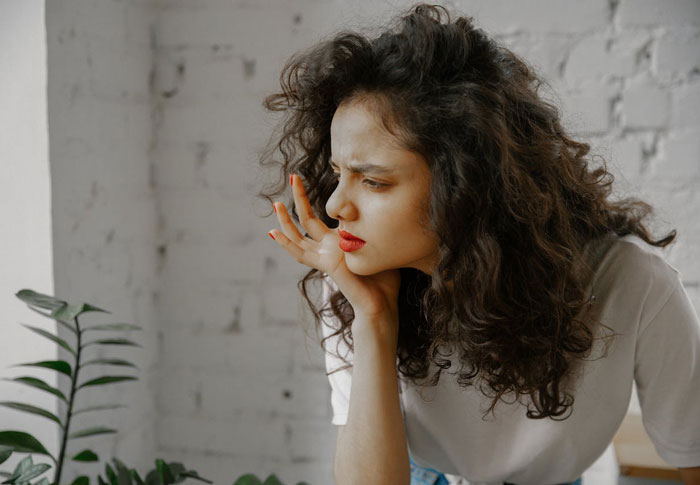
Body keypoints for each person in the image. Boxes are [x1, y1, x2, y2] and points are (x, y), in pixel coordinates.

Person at [257, 3, 700, 485]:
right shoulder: (354, 278)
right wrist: (374, 318)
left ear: (465, 183)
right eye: (340, 173)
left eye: (375, 182)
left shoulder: (631, 283)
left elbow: (692, 453)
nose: (336, 206)